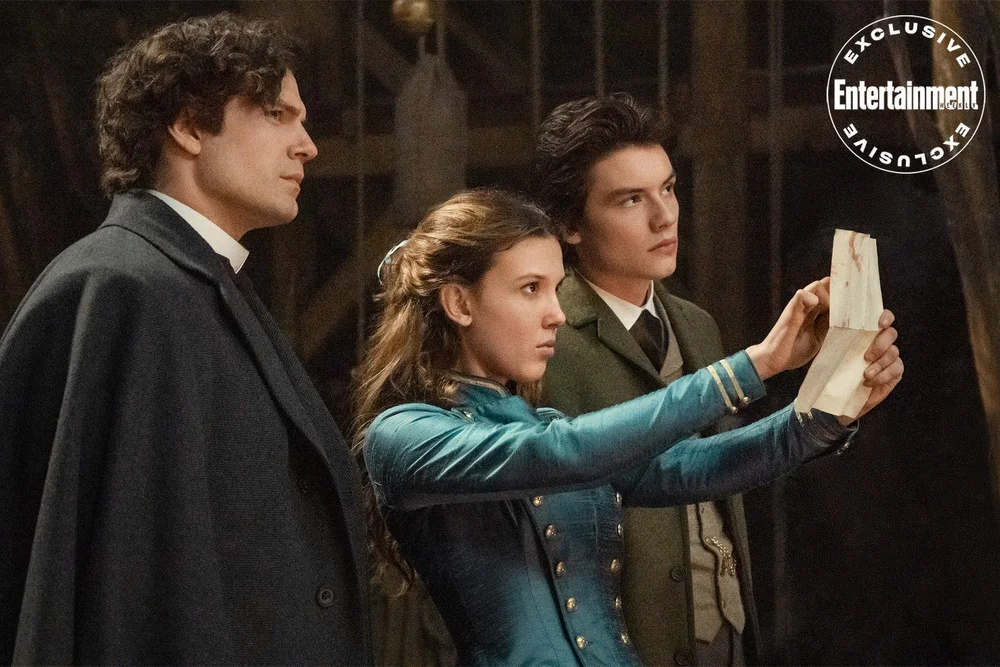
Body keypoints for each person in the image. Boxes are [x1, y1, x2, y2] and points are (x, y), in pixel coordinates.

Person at [355, 188, 902, 666]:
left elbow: (689, 468)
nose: (556, 313)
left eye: (556, 288)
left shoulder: (546, 425)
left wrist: (825, 411)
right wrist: (754, 365)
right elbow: (561, 452)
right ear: (458, 302)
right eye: (530, 288)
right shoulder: (402, 435)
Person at [0, 14, 370, 665]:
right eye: (278, 114)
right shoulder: (122, 289)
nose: (308, 145)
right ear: (190, 125)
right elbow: (123, 589)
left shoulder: (195, 285)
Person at [533, 94, 903, 666]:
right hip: (618, 643)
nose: (664, 217)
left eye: (668, 189)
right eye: (631, 199)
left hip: (726, 633)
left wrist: (838, 398)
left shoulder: (694, 324)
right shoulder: (545, 336)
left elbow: (727, 463)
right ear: (568, 225)